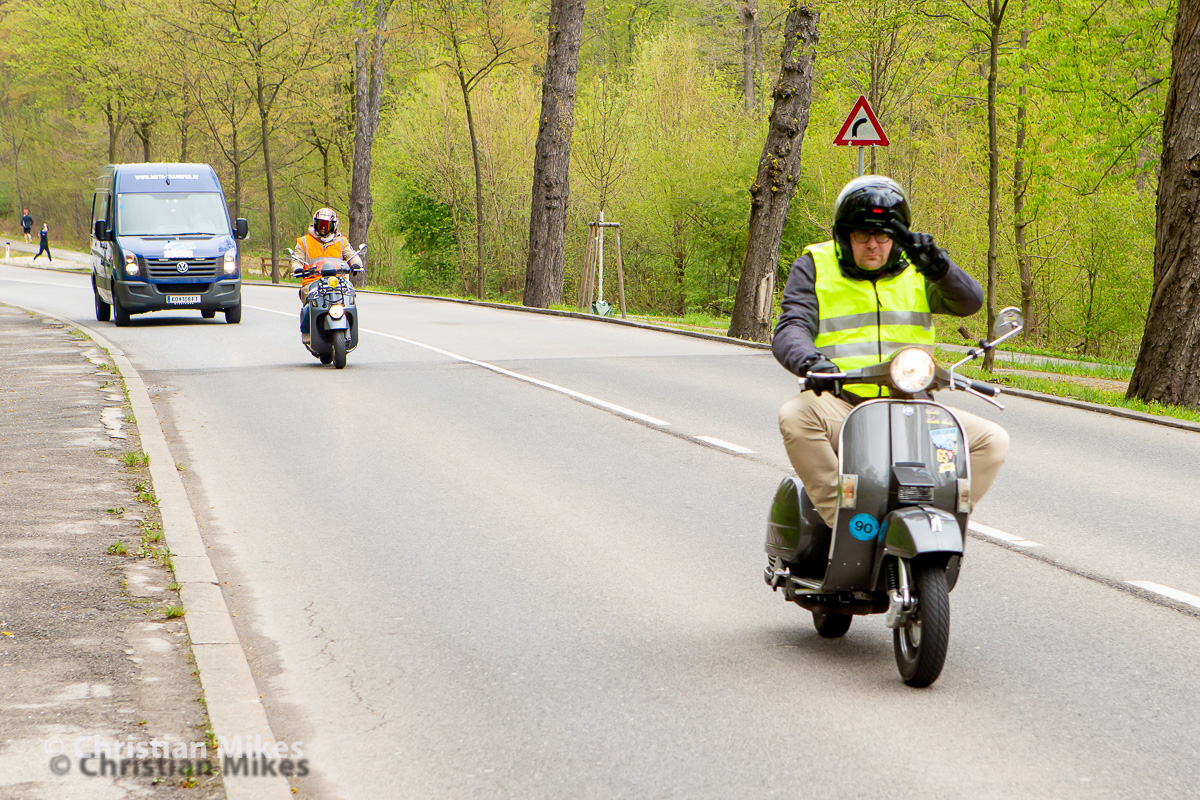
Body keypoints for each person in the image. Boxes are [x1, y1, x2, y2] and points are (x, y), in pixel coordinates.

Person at [773, 175, 1008, 530]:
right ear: (844, 237)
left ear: (896, 238)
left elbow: (969, 303)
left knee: (992, 440)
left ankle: (939, 523)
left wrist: (940, 268)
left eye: (883, 236)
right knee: (795, 415)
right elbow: (791, 325)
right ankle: (847, 523)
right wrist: (811, 362)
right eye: (861, 235)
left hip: (914, 407)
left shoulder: (918, 268)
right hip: (844, 404)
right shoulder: (816, 265)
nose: (873, 245)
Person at [293, 207, 362, 341]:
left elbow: (352, 256)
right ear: (315, 224)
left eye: (326, 225)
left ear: (334, 226)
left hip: (337, 280)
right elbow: (296, 260)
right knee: (310, 303)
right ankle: (307, 331)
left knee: (349, 298)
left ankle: (351, 328)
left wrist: (356, 264)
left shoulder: (342, 241)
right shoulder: (304, 241)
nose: (323, 228)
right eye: (320, 224)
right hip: (312, 281)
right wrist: (298, 269)